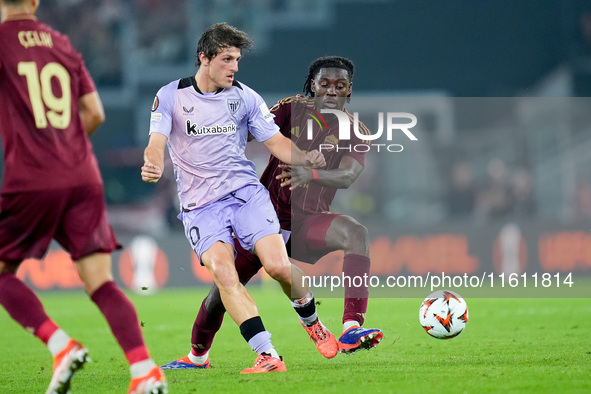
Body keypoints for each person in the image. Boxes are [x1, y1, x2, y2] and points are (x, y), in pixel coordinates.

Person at [161, 56, 383, 371]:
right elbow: (251, 130)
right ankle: (197, 357)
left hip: (308, 224)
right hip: (262, 220)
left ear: (349, 92)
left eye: (340, 86)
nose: (331, 91)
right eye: (324, 84)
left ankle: (351, 329)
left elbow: (348, 176)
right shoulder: (292, 109)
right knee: (219, 296)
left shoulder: (355, 131)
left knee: (356, 233)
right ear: (312, 86)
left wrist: (312, 175)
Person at [141, 23, 336, 374]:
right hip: (201, 207)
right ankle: (268, 354)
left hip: (246, 195)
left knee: (277, 266)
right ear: (204, 57)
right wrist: (153, 162)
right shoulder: (171, 96)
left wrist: (308, 157)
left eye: (238, 60)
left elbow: (274, 142)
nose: (234, 67)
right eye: (227, 59)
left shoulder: (245, 96)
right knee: (224, 275)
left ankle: (312, 321)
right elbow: (156, 141)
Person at [0, 1, 167, 393]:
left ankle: (60, 344)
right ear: (35, 2)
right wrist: (66, 151)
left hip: (32, 178)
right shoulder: (61, 42)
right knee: (101, 283)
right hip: (82, 175)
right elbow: (94, 112)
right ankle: (144, 371)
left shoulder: (3, 41)